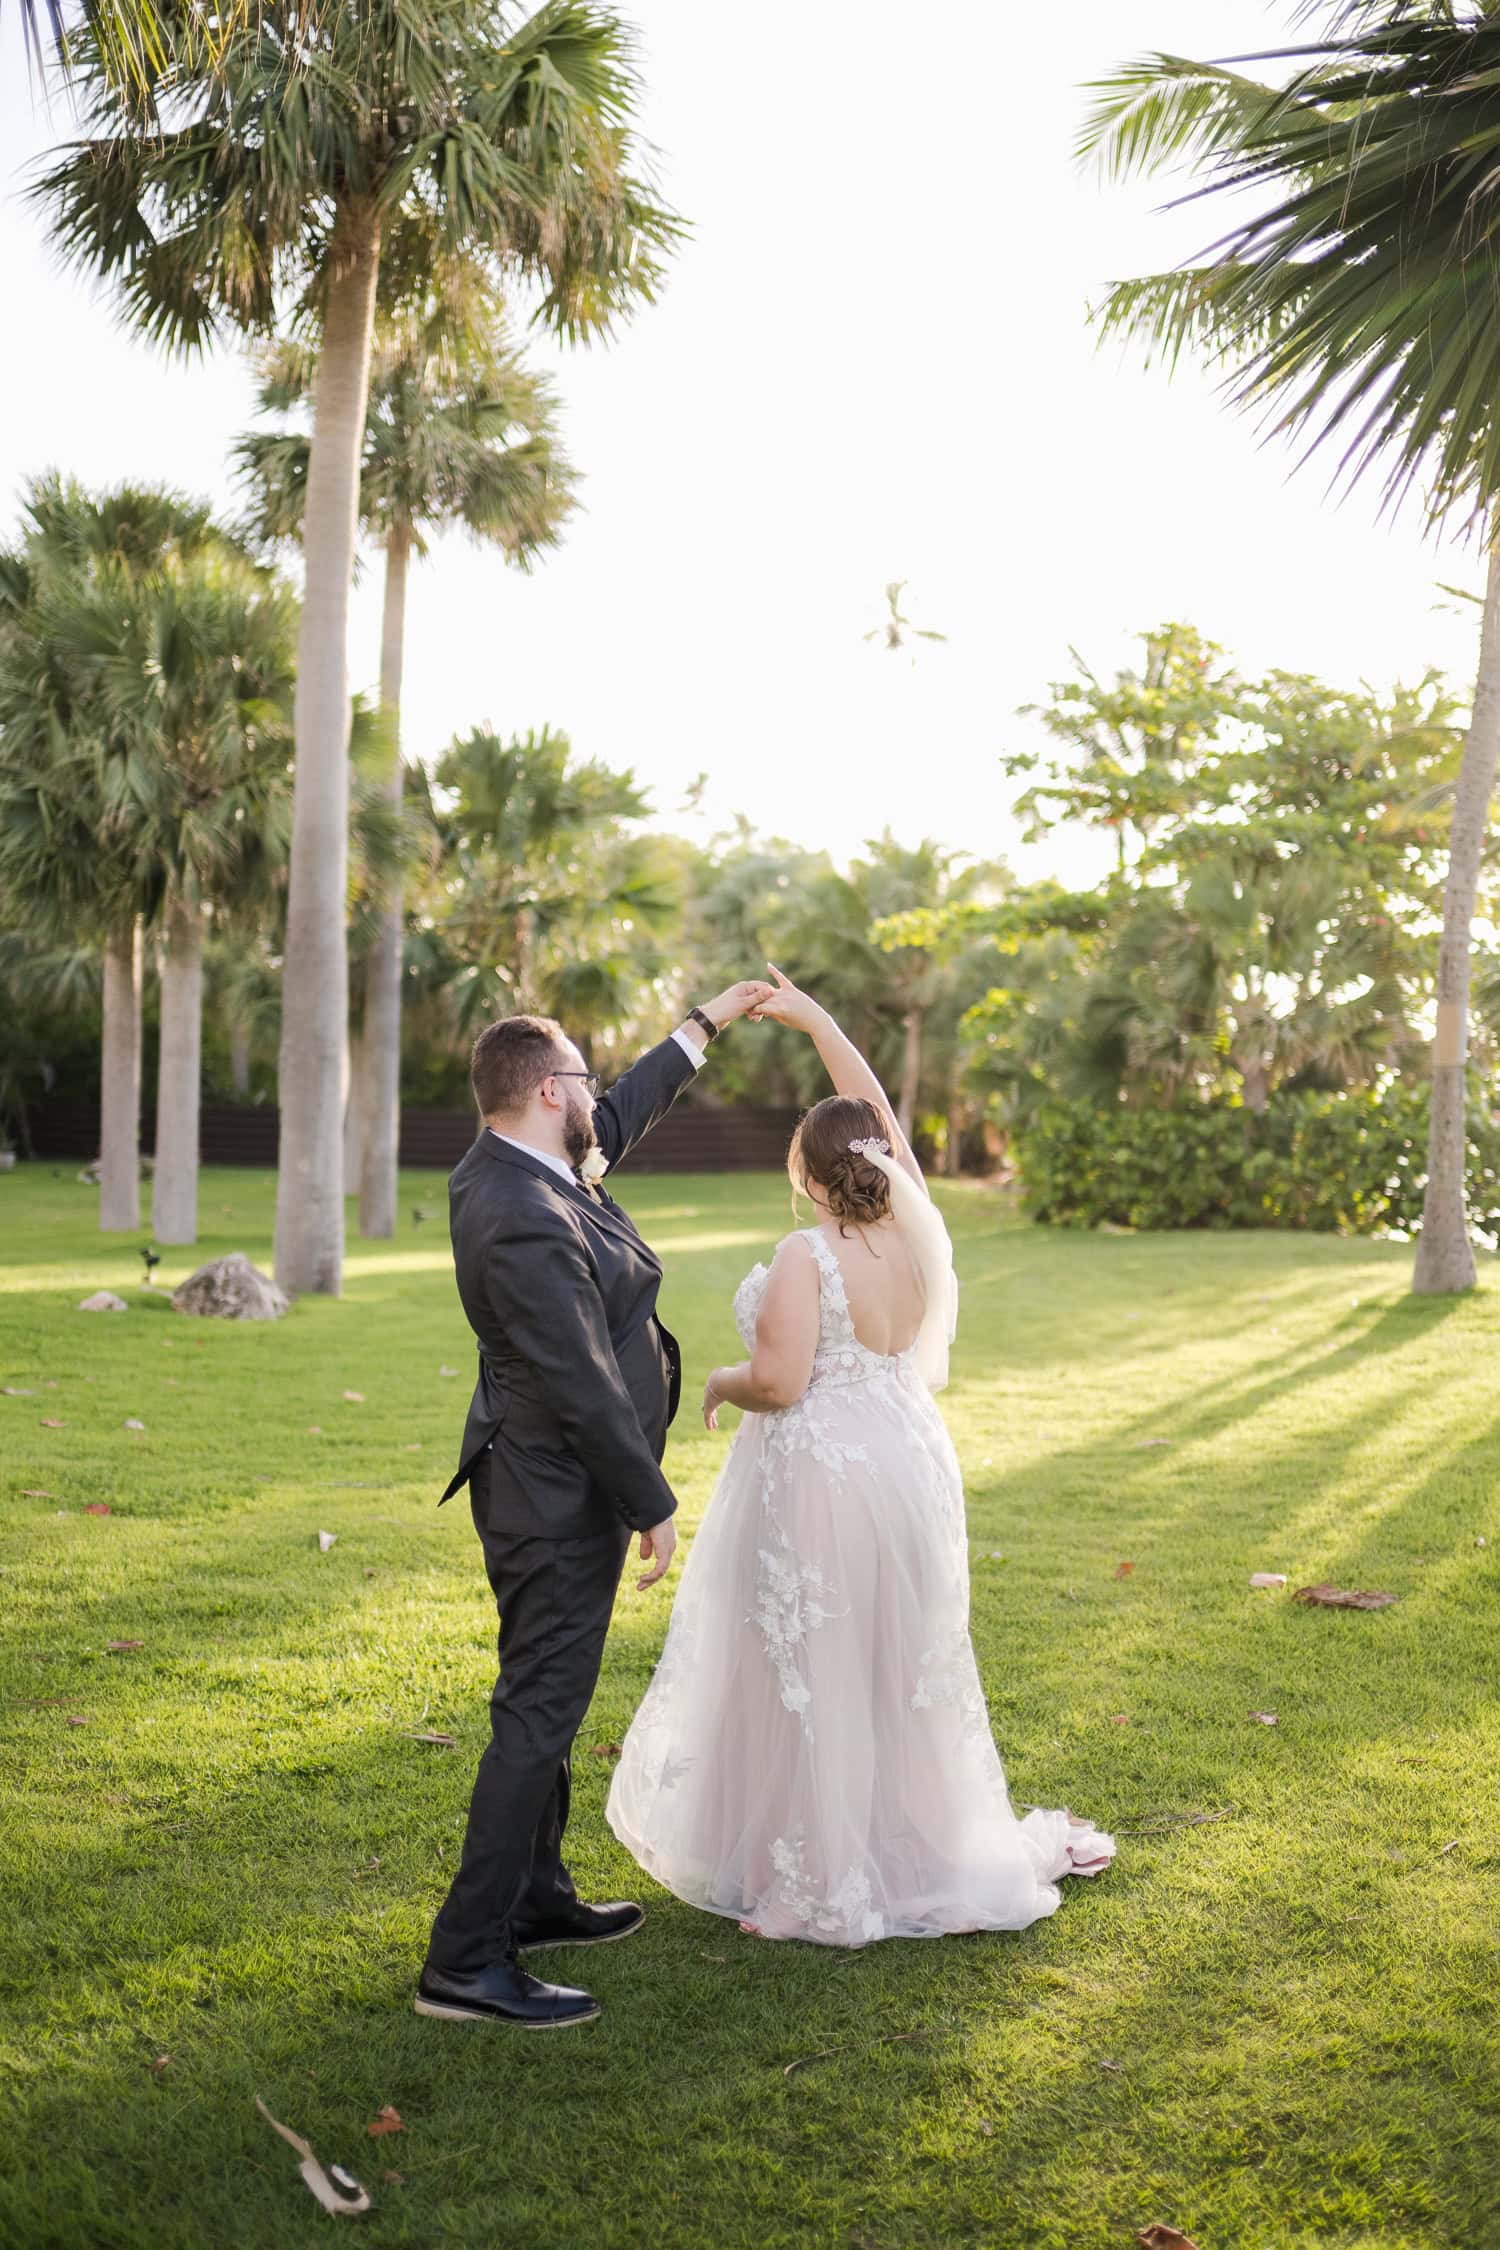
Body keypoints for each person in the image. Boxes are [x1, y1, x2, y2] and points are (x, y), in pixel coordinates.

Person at [606, 965, 1114, 1945]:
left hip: (822, 1471)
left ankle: (816, 1888)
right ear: (879, 1159)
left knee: (810, 1664)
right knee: (892, 1665)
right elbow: (874, 1107)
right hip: (912, 1464)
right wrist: (813, 1020)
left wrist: (716, 1382)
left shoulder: (810, 1255)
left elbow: (782, 1381)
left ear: (804, 1172)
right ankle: (876, 1848)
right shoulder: (917, 1235)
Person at [416, 981, 774, 2029]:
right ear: (539, 1091)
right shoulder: (517, 1211)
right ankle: (465, 1961)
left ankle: (534, 1897)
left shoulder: (534, 1163)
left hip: (553, 1483)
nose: (592, 1091)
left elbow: (617, 1116)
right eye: (578, 1074)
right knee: (536, 1712)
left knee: (551, 1702)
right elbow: (577, 1380)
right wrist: (652, 1501)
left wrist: (703, 1025)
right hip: (551, 1491)